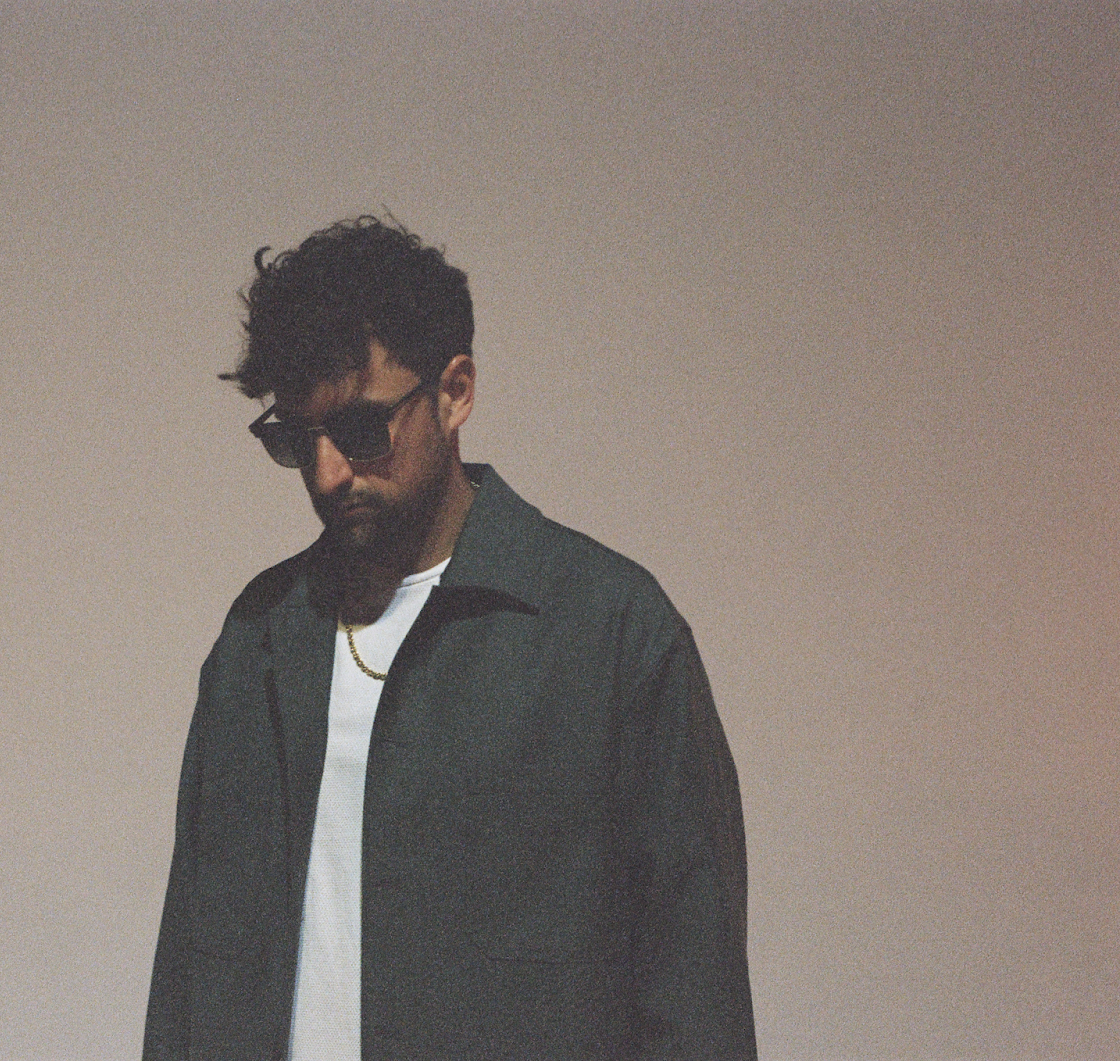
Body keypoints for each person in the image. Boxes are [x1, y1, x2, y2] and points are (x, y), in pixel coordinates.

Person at [143, 217, 756, 1060]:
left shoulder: (606, 632)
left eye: (361, 430)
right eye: (297, 440)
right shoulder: (259, 641)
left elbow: (696, 996)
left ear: (455, 391)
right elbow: (186, 979)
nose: (327, 473)